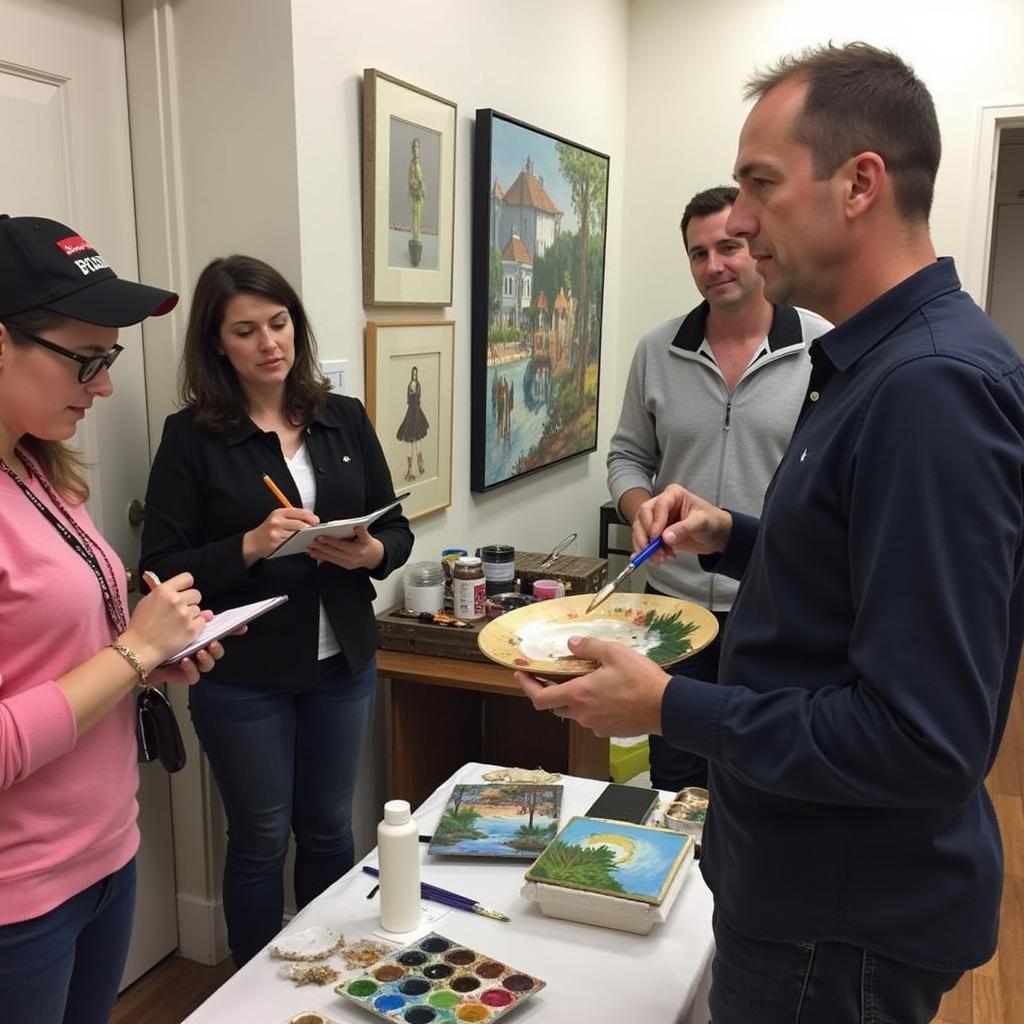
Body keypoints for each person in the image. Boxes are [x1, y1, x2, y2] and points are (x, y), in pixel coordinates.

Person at [518, 42, 1024, 1024]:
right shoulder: (877, 365)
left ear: (858, 184)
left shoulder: (928, 391)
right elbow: (857, 571)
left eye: (758, 185)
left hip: (836, 919)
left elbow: (923, 738)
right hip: (806, 892)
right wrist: (735, 535)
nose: (738, 225)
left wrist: (670, 707)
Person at [140, 255, 413, 966]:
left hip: (342, 658)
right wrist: (251, 546)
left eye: (280, 322)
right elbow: (162, 565)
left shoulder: (342, 418)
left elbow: (397, 531)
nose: (270, 343)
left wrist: (369, 555)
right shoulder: (192, 438)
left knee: (328, 828)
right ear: (216, 344)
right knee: (261, 836)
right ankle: (252, 997)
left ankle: (329, 975)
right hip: (243, 671)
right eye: (246, 330)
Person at [0, 215, 227, 1024]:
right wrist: (132, 654)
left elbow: (47, 660)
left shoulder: (35, 465)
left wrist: (152, 654)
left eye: (112, 359)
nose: (102, 386)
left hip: (105, 852)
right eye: (85, 359)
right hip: (19, 895)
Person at [606, 185, 830, 792]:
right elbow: (628, 455)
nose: (714, 266)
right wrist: (639, 506)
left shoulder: (823, 348)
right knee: (675, 775)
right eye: (698, 253)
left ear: (757, 245)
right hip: (671, 605)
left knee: (762, 771)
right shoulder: (657, 350)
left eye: (728, 246)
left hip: (773, 601)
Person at [396, 364, 429, 480]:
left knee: (418, 440)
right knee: (410, 441)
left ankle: (420, 466)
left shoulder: (417, 385)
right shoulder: (410, 385)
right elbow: (408, 399)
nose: (414, 376)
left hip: (416, 412)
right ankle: (409, 470)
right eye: (413, 374)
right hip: (411, 412)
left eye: (416, 374)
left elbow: (417, 398)